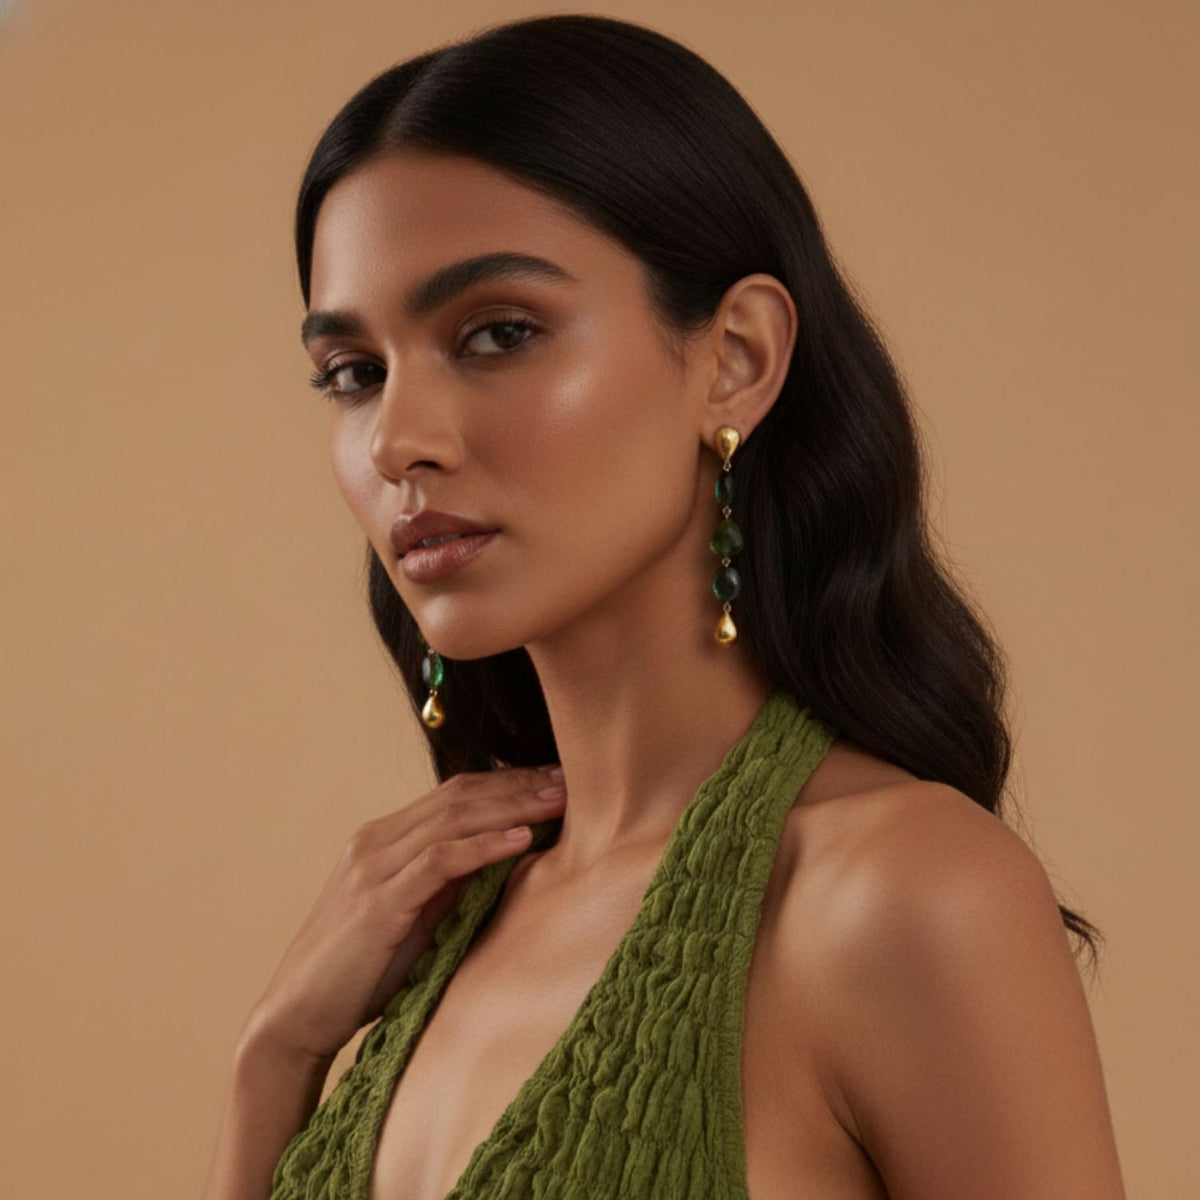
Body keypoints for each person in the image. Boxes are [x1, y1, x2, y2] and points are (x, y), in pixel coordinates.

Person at [201, 14, 1126, 1200]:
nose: (397, 440)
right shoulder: (445, 921)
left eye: (497, 333)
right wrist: (274, 1054)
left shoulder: (899, 893)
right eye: (353, 373)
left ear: (734, 358)